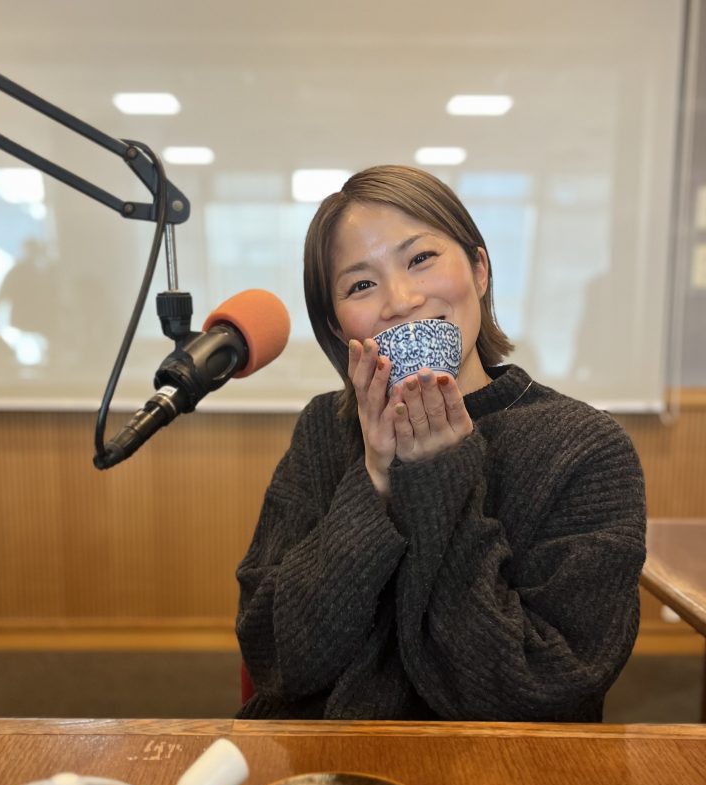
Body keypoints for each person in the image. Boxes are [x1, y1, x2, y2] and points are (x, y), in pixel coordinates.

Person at [235, 165, 646, 721]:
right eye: (361, 285)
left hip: (491, 768)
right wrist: (374, 479)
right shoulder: (324, 429)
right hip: (320, 759)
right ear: (338, 328)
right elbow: (275, 659)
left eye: (421, 259)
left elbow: (541, 689)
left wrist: (438, 479)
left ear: (479, 270)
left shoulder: (586, 448)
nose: (401, 300)